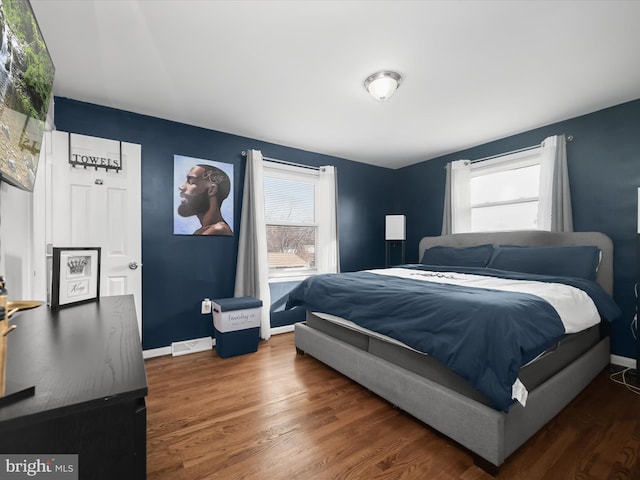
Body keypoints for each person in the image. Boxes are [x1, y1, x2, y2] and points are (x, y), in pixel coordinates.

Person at [177, 164, 232, 235]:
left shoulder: (219, 229)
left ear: (211, 190)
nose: (181, 187)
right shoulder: (201, 231)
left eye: (191, 182)